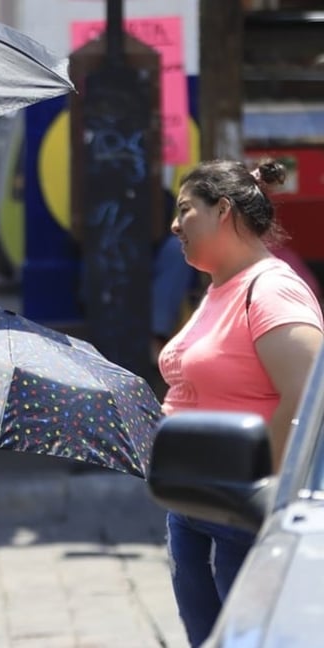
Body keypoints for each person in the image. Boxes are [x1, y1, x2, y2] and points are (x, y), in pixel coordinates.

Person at [158, 158, 324, 647]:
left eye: (185, 210)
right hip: (196, 509)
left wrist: (264, 495)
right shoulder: (218, 290)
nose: (173, 225)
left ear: (223, 210)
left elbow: (309, 397)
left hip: (243, 516)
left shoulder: (270, 290)